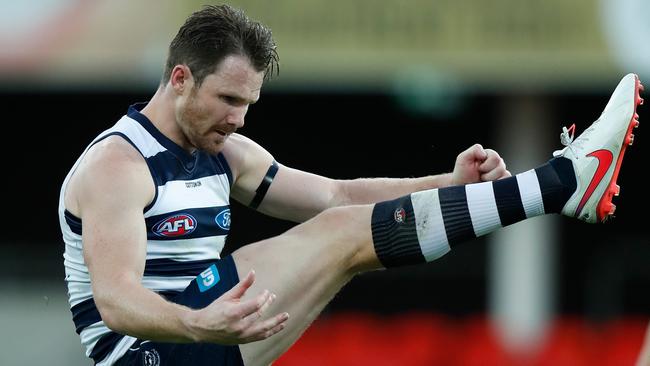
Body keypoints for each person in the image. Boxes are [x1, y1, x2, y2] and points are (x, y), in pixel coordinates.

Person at [58, 4, 643, 366]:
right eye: (228, 99)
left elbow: (337, 195)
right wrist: (197, 323)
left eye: (249, 103)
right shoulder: (119, 167)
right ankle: (562, 183)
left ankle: (560, 187)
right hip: (156, 352)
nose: (239, 118)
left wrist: (448, 180)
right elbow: (116, 302)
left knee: (346, 239)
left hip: (205, 331)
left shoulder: (224, 150)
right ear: (180, 78)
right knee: (340, 237)